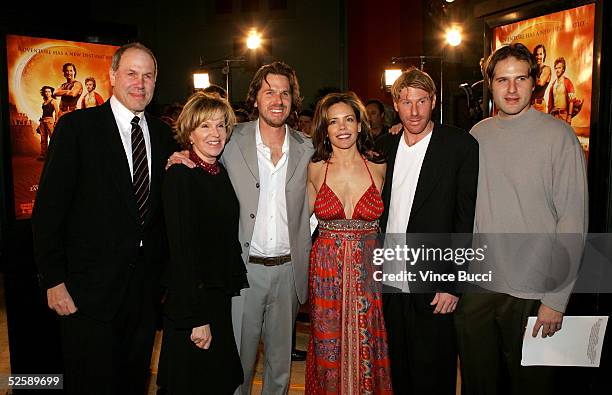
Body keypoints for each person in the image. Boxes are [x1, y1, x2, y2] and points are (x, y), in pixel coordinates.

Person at [32, 43, 176, 395]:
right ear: (112, 77)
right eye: (131, 73)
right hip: (86, 294)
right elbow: (49, 211)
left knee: (133, 381)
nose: (140, 83)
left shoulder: (162, 135)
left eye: (148, 75)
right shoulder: (77, 129)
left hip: (142, 295)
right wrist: (53, 280)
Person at [168, 61, 313, 395]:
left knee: (279, 368)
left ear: (293, 100)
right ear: (256, 99)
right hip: (244, 273)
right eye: (269, 92)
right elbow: (202, 146)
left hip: (289, 272)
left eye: (285, 92)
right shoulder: (232, 140)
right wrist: (179, 155)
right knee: (238, 366)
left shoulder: (308, 147)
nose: (278, 99)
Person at [456, 43, 587, 395]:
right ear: (491, 85)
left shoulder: (559, 137)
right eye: (502, 80)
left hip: (533, 292)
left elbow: (573, 222)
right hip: (478, 287)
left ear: (534, 83)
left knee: (532, 386)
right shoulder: (476, 135)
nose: (511, 89)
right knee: (478, 384)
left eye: (520, 79)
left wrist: (555, 300)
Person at [376, 68, 478, 394]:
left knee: (434, 374)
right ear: (396, 104)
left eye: (422, 101)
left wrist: (453, 283)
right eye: (407, 102)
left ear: (433, 101)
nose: (415, 110)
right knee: (395, 372)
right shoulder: (383, 146)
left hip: (435, 284)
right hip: (388, 281)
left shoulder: (459, 145)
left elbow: (465, 220)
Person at [161, 92, 248, 394]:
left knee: (219, 381)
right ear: (189, 132)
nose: (215, 134)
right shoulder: (181, 176)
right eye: (205, 127)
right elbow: (182, 253)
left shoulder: (218, 172)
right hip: (193, 304)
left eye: (221, 126)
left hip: (216, 298)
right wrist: (197, 318)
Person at [305, 91, 391, 394]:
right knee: (329, 343)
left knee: (371, 338)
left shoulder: (379, 165)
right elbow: (301, 223)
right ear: (324, 129)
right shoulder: (314, 168)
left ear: (359, 125)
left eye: (349, 120)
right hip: (326, 269)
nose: (342, 128)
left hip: (370, 269)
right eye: (333, 122)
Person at [548, 57, 576, 124]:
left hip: (564, 115)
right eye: (556, 68)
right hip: (554, 115)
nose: (557, 70)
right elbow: (550, 103)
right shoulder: (553, 84)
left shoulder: (567, 82)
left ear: (563, 69)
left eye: (559, 68)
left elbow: (571, 101)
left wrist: (569, 116)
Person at [37, 85, 59, 160]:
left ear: (51, 93)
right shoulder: (44, 102)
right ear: (44, 93)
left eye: (49, 91)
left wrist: (56, 121)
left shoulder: (53, 101)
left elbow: (57, 112)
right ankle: (44, 155)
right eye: (46, 91)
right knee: (43, 138)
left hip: (50, 120)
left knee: (52, 138)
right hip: (43, 120)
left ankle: (54, 155)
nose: (47, 93)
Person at [531, 44, 551, 113]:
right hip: (529, 105)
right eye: (537, 54)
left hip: (539, 105)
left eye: (540, 54)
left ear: (544, 55)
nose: (538, 57)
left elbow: (540, 83)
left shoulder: (546, 69)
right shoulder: (533, 70)